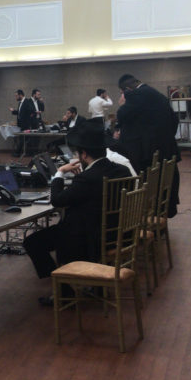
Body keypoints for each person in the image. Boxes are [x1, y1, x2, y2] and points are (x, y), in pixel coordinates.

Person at [22, 120, 133, 305]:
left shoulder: (87, 178)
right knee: (61, 229)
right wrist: (79, 180)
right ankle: (76, 285)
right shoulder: (122, 171)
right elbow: (93, 194)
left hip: (89, 238)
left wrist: (59, 173)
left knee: (32, 242)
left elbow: (57, 200)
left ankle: (63, 290)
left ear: (84, 154)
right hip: (117, 233)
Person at [114, 73, 181, 215]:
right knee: (160, 186)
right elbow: (174, 120)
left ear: (127, 89)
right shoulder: (156, 94)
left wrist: (122, 105)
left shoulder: (136, 94)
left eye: (122, 93)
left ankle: (138, 214)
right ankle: (158, 216)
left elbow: (122, 115)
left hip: (146, 153)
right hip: (165, 149)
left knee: (140, 182)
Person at [10, 89, 38, 156]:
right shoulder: (20, 103)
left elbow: (32, 111)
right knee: (23, 139)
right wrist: (13, 111)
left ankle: (18, 153)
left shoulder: (27, 101)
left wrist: (28, 118)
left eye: (16, 96)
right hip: (22, 124)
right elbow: (20, 112)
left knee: (22, 139)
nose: (16, 97)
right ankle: (20, 152)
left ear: (20, 95)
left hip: (26, 124)